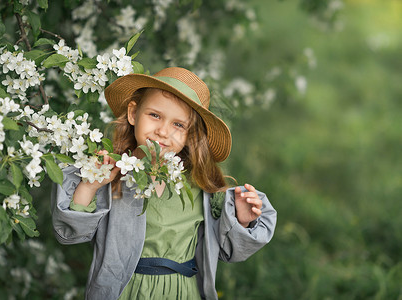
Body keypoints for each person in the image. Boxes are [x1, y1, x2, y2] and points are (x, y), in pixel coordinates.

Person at [51, 67, 277, 300]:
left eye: (179, 125)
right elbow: (70, 234)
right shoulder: (113, 175)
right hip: (125, 291)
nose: (162, 131)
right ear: (133, 113)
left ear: (191, 135)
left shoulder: (200, 187)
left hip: (182, 292)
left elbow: (231, 250)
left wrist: (242, 219)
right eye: (155, 115)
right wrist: (89, 186)